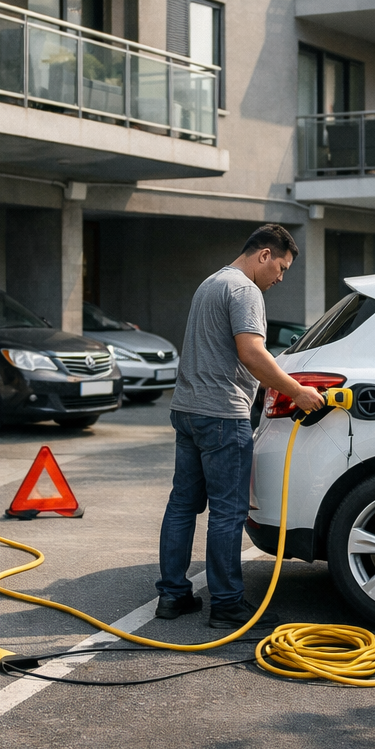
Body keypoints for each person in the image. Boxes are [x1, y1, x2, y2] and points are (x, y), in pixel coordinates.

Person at [154, 224, 326, 629]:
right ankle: (228, 604)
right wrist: (297, 391)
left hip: (188, 411)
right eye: (281, 267)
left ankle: (173, 596)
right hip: (221, 415)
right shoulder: (245, 290)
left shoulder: (211, 282)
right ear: (264, 254)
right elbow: (251, 352)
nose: (280, 278)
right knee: (227, 513)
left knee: (182, 505)